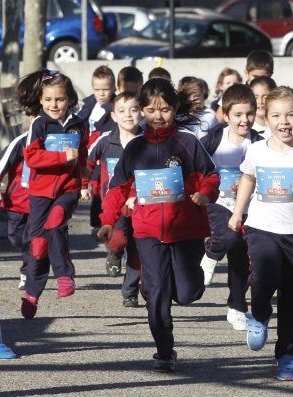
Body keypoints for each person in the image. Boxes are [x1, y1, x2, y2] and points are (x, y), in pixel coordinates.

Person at [96, 78, 220, 372]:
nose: (158, 116)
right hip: (147, 232)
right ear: (142, 111)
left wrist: (205, 195)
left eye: (164, 109)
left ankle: (181, 286)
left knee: (187, 293)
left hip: (186, 231)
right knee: (157, 293)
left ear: (174, 108)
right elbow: (117, 188)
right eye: (151, 110)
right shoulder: (135, 147)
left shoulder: (188, 142)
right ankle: (164, 352)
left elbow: (210, 176)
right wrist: (107, 221)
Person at [228, 86, 293, 381]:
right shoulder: (257, 149)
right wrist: (237, 212)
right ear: (266, 117)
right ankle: (258, 313)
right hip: (262, 228)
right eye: (276, 116)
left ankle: (287, 354)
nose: (284, 122)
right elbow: (247, 177)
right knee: (264, 274)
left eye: (291, 115)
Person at [19, 69, 88, 319]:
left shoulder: (79, 124)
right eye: (48, 100)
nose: (54, 105)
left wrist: (84, 183)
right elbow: (32, 158)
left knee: (56, 222)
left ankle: (64, 276)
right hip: (40, 192)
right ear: (40, 100)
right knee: (38, 246)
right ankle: (32, 293)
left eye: (59, 99)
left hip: (67, 189)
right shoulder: (39, 124)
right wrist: (60, 157)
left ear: (68, 98)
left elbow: (82, 157)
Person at [199, 83, 263, 330]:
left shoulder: (258, 143)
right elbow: (198, 167)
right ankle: (211, 254)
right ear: (226, 115)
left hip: (249, 207)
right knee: (227, 235)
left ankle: (237, 307)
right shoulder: (213, 140)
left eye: (249, 113)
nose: (244, 120)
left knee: (241, 259)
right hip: (218, 203)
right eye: (237, 114)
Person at [88, 91, 142, 307]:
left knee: (138, 252)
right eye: (122, 111)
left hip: (139, 205)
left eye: (134, 110)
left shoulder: (147, 141)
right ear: (113, 116)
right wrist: (84, 184)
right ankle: (114, 252)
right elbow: (87, 161)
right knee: (118, 238)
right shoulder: (105, 140)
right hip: (113, 205)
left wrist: (137, 195)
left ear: (142, 113)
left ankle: (130, 292)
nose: (128, 115)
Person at [0, 130, 31, 289]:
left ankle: (27, 274)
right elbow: (0, 163)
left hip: (41, 202)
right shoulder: (21, 141)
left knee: (30, 241)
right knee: (15, 238)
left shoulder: (58, 138)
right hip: (17, 201)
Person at [77, 65, 117, 233]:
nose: (101, 93)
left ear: (114, 88)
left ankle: (108, 223)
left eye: (106, 89)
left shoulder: (116, 107)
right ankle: (96, 223)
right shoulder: (87, 106)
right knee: (96, 192)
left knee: (106, 191)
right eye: (97, 89)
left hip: (106, 156)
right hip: (89, 154)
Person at [216, 50, 274, 123]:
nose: (259, 80)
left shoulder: (275, 92)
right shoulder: (234, 91)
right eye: (255, 76)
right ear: (246, 73)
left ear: (271, 75)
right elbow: (218, 121)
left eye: (264, 77)